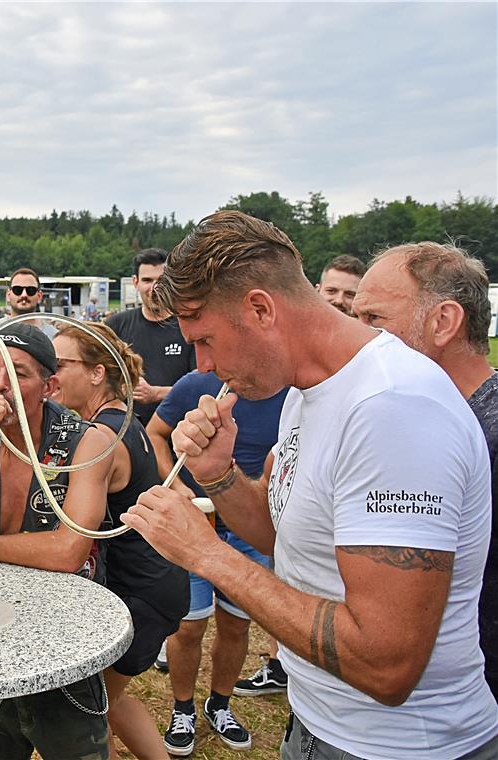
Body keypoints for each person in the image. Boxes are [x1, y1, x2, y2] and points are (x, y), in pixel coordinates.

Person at [123, 210, 498, 759]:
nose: (202, 365)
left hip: (401, 747)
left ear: (260, 309)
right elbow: (292, 542)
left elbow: (387, 664)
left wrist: (209, 555)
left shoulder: (392, 408)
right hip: (318, 720)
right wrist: (220, 475)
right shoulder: (309, 390)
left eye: (205, 340)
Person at [0, 323, 115, 759]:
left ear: (50, 385)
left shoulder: (88, 441)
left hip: (63, 635)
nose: (0, 384)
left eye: (18, 373)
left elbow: (68, 551)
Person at [353, 241, 497, 700]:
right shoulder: (435, 412)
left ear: (443, 322)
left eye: (374, 320)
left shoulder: (477, 427)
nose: (356, 338)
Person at [51, 322, 188, 760]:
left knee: (87, 713)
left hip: (140, 591)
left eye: (61, 365)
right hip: (161, 583)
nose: (52, 376)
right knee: (112, 702)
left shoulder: (101, 436)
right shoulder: (129, 419)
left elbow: (68, 542)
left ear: (96, 373)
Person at [145, 371, 287, 755]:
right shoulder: (195, 384)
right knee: (188, 628)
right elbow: (155, 433)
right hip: (198, 521)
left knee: (236, 626)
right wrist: (175, 484)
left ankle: (219, 705)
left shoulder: (291, 392)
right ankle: (183, 708)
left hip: (253, 532)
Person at [105, 249, 196, 426]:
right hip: (128, 433)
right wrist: (119, 388)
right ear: (135, 282)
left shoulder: (188, 325)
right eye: (147, 280)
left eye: (161, 280)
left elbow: (201, 388)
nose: (155, 287)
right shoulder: (116, 326)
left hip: (177, 433)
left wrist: (156, 393)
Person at [0, 267, 55, 336]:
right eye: (17, 290)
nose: (24, 295)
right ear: (8, 295)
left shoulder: (55, 336)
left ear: (39, 296)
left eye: (30, 290)